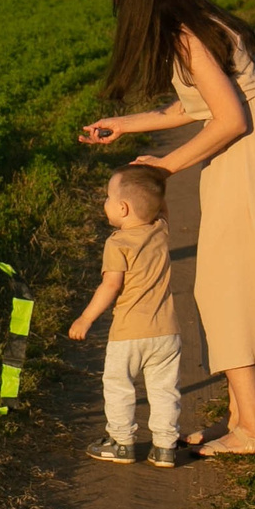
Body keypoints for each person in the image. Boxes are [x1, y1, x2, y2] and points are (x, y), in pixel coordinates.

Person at [79, 0, 255, 455]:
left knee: (224, 285)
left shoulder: (186, 36)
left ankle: (253, 429)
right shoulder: (203, 23)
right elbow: (197, 106)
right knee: (230, 281)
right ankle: (238, 418)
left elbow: (229, 118)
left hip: (250, 151)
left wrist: (167, 164)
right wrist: (126, 125)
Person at [66, 165, 183, 467]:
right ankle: (165, 446)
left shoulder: (117, 244)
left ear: (122, 207)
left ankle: (121, 441)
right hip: (167, 334)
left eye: (107, 197)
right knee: (164, 389)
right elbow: (161, 207)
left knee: (119, 385)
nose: (104, 202)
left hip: (129, 334)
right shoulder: (160, 230)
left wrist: (86, 318)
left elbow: (110, 285)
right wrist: (158, 179)